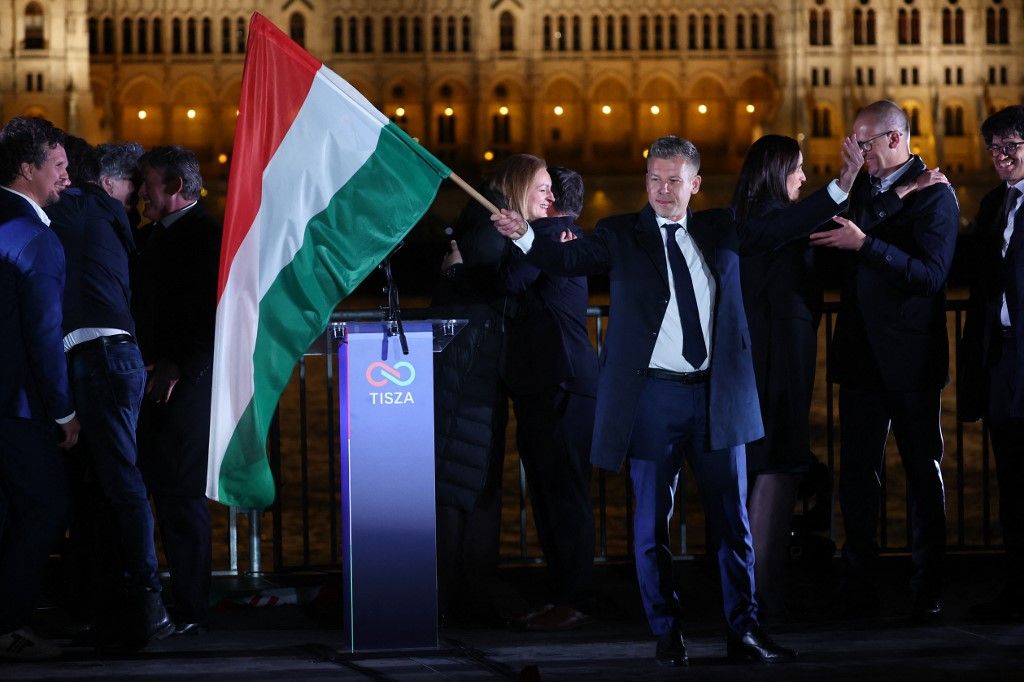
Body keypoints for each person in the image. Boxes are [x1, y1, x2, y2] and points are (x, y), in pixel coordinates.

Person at [493, 135, 860, 664]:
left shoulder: (722, 228)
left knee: (733, 523)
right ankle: (667, 634)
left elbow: (784, 225)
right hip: (653, 400)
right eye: (654, 179)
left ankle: (745, 631)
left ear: (695, 184)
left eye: (673, 180)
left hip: (716, 398)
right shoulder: (620, 233)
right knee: (650, 526)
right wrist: (526, 237)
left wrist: (842, 184)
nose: (662, 190)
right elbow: (567, 258)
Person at [810, 100, 959, 622]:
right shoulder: (864, 189)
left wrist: (867, 246)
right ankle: (858, 585)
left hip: (912, 359)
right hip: (860, 359)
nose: (855, 151)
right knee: (858, 477)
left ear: (896, 139)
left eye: (863, 143)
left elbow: (930, 277)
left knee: (923, 473)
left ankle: (928, 588)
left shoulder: (937, 194)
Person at [46, 136, 173, 651]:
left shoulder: (88, 206)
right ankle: (122, 600)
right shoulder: (110, 221)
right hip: (111, 358)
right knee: (110, 485)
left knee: (119, 483)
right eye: (132, 185)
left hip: (101, 359)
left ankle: (147, 600)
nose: (135, 196)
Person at [733, 134, 859, 618]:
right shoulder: (766, 222)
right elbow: (804, 219)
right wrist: (842, 181)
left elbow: (823, 223)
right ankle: (762, 593)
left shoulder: (766, 219)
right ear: (775, 172)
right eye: (798, 169)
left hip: (776, 357)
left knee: (775, 463)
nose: (803, 178)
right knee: (778, 463)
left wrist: (904, 192)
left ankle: (758, 587)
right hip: (777, 360)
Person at [431, 154, 547, 626]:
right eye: (542, 186)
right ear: (519, 185)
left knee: (468, 480)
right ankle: (460, 597)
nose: (550, 197)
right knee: (466, 482)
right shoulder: (491, 221)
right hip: (471, 376)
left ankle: (463, 593)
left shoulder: (493, 220)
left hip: (475, 374)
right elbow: (493, 294)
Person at [501, 166, 598, 631]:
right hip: (563, 380)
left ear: (551, 198)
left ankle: (574, 598)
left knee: (561, 494)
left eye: (541, 189)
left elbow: (512, 281)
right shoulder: (565, 232)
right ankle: (564, 593)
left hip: (558, 382)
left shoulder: (549, 232)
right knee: (557, 492)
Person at [132, 146, 221, 635]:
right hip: (151, 381)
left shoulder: (207, 238)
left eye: (147, 182)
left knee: (181, 497)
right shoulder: (154, 237)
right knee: (156, 493)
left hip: (183, 390)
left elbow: (214, 316)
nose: (141, 190)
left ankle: (190, 605)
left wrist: (179, 366)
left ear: (174, 187)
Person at [0, 116, 79, 660]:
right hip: (18, 407)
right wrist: (64, 412)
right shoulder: (36, 239)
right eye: (58, 166)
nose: (67, 178)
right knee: (45, 509)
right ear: (28, 170)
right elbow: (45, 336)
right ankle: (7, 627)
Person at [959, 104, 1024, 621]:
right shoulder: (993, 204)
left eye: (1012, 148)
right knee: (1011, 479)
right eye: (995, 149)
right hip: (1004, 360)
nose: (1002, 158)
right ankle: (1016, 587)